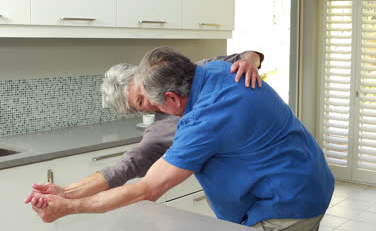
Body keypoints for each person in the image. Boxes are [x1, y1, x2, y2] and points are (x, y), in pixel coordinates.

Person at [26, 47, 334, 231]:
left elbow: (148, 188)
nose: (154, 110)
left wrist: (69, 208)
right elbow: (128, 166)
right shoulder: (213, 70)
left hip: (287, 203)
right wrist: (66, 192)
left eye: (153, 101)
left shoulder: (202, 120)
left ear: (170, 97)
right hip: (309, 177)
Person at [24, 50, 263, 208]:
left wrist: (250, 64)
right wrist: (66, 192)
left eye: (141, 91)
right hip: (242, 195)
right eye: (141, 103)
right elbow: (125, 168)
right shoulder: (160, 131)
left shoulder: (192, 73)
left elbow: (247, 55)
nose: (150, 98)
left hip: (265, 171)